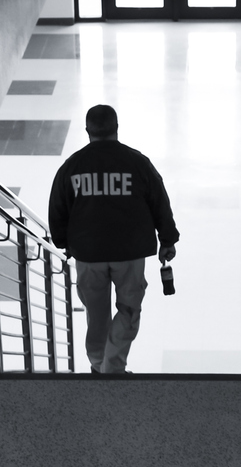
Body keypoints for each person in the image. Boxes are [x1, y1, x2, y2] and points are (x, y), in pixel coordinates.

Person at [48, 104, 179, 376]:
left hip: (88, 253)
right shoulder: (138, 163)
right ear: (116, 129)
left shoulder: (72, 166)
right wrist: (167, 239)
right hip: (129, 252)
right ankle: (113, 367)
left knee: (95, 316)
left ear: (88, 132)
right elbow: (159, 202)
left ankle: (100, 366)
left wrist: (63, 243)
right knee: (128, 310)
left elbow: (58, 208)